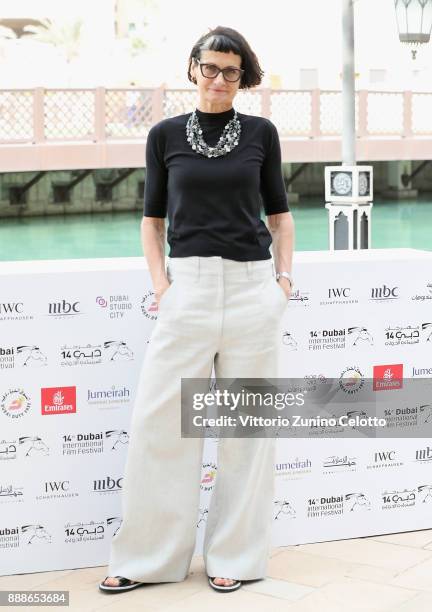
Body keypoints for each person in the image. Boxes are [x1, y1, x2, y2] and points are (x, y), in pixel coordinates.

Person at [99, 25, 295, 595]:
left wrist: (282, 283)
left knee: (245, 433)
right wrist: (162, 287)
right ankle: (147, 559)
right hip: (186, 290)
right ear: (192, 68)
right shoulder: (163, 135)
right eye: (209, 68)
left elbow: (280, 218)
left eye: (230, 71)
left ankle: (235, 555)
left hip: (253, 288)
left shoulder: (262, 133)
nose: (217, 80)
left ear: (243, 77)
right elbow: (152, 221)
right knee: (161, 425)